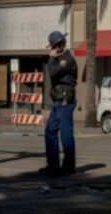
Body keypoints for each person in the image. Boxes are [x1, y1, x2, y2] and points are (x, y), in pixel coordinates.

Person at [40, 31, 78, 176]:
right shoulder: (58, 59)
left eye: (56, 45)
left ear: (61, 45)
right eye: (54, 46)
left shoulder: (67, 59)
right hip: (57, 100)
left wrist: (51, 59)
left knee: (66, 133)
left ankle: (68, 166)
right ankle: (53, 164)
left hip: (65, 100)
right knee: (50, 131)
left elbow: (53, 73)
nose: (55, 49)